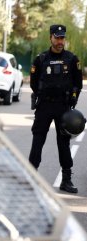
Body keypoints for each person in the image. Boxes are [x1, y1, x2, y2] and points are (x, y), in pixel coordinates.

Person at [29, 24, 83, 193]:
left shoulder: (72, 59)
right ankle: (31, 177)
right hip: (44, 106)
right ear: (50, 38)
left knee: (63, 143)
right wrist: (40, 94)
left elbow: (77, 83)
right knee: (38, 140)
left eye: (62, 38)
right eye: (57, 37)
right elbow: (33, 81)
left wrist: (73, 97)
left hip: (63, 107)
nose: (60, 41)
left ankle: (66, 180)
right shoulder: (41, 59)